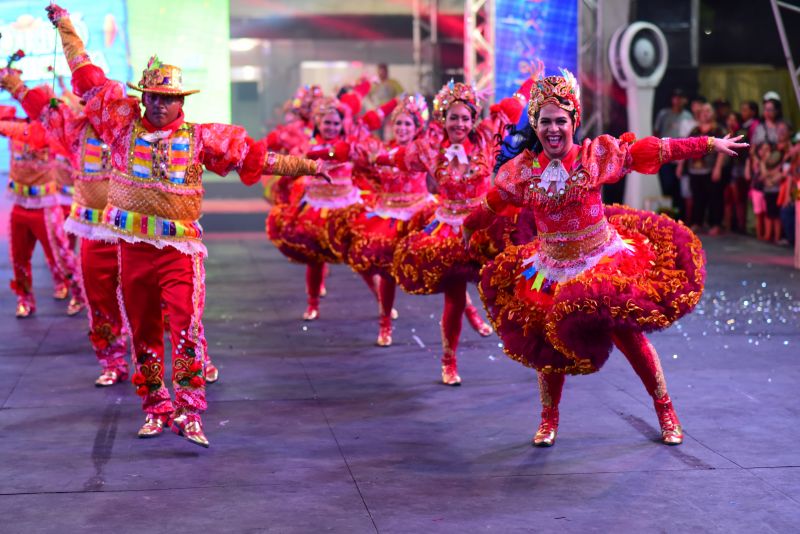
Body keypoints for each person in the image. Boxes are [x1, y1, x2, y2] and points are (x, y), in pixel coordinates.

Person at [47, 3, 334, 447]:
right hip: (132, 249)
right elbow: (86, 77)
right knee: (142, 330)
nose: (160, 105)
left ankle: (190, 409)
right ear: (144, 98)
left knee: (185, 328)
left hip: (178, 253)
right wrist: (66, 26)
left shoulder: (201, 138)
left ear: (182, 101)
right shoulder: (121, 127)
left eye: (169, 99)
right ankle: (156, 407)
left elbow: (254, 159)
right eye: (154, 97)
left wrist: (308, 166)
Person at [464, 69, 746, 446]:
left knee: (629, 337)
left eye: (560, 121)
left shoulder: (595, 157)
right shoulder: (525, 173)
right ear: (535, 124)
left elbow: (652, 150)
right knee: (547, 344)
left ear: (573, 121)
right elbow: (493, 203)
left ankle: (665, 408)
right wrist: (468, 227)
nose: (552, 129)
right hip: (549, 269)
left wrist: (707, 144)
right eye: (544, 121)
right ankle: (549, 419)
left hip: (601, 262)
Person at [381, 80, 527, 385]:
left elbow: (514, 108)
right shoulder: (431, 150)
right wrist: (369, 158)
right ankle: (449, 361)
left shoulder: (487, 138)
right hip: (448, 229)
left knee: (509, 286)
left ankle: (529, 347)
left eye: (465, 117)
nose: (459, 124)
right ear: (442, 119)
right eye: (453, 117)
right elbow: (397, 158)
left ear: (473, 119)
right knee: (455, 296)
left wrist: (529, 84)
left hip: (486, 224)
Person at [0, 90, 85, 318]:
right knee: (18, 258)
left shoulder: (50, 133)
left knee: (61, 256)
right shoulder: (14, 124)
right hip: (19, 206)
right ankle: (24, 299)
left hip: (46, 208)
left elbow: (32, 134)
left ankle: (78, 293)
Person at [676, 103, 727, 234]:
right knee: (697, 197)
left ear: (713, 113)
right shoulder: (695, 130)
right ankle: (697, 222)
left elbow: (723, 150)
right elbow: (685, 147)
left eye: (708, 111)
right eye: (703, 111)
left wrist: (718, 168)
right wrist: (680, 166)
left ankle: (715, 224)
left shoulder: (718, 130)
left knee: (714, 198)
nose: (705, 113)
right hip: (695, 169)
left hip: (711, 169)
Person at [653, 88, 694, 220]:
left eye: (680, 97)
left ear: (685, 100)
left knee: (681, 189)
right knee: (667, 186)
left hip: (681, 157)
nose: (677, 100)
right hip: (665, 156)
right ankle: (667, 216)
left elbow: (690, 137)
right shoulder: (664, 114)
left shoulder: (688, 116)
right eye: (675, 97)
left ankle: (681, 217)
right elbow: (656, 132)